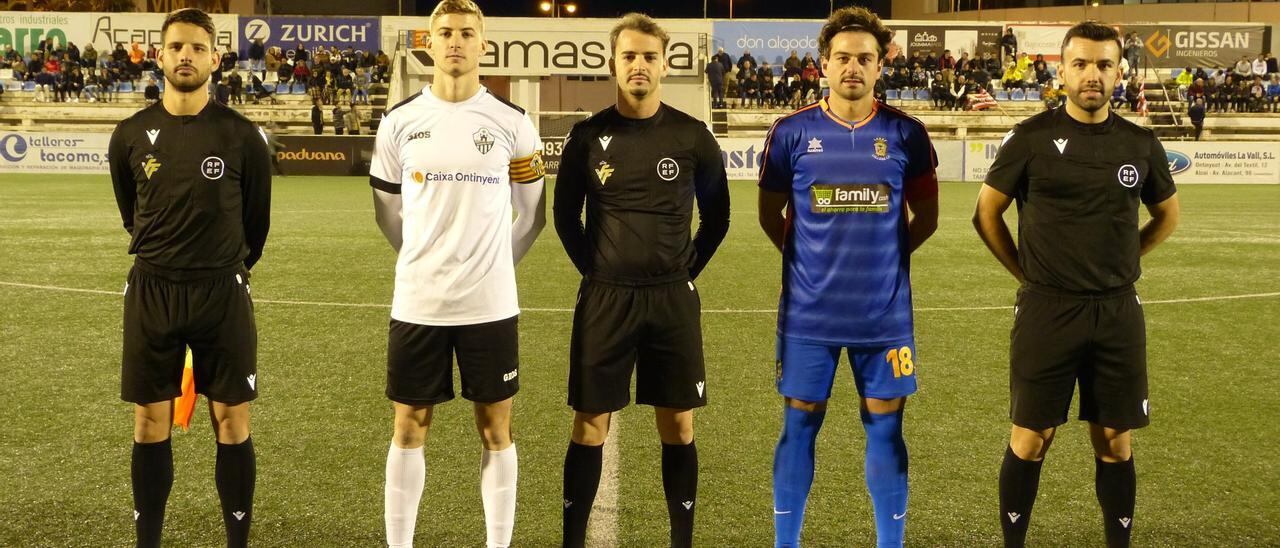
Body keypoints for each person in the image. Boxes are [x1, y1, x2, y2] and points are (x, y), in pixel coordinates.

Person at [973, 21, 1180, 548]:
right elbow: (986, 214)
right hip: (1048, 310)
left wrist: (1127, 257)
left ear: (1119, 73)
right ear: (1062, 69)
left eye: (1104, 65)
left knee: (1115, 441)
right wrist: (1027, 274)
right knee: (1031, 438)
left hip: (1117, 313)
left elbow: (1167, 215)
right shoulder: (1030, 139)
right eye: (1082, 64)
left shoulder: (1140, 143)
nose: (1093, 75)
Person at [758, 8, 939, 548]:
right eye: (843, 57)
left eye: (864, 58)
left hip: (884, 318)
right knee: (799, 425)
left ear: (881, 65)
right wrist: (806, 263)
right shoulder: (790, 133)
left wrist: (886, 259)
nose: (853, 67)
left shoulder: (906, 133)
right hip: (808, 316)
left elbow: (925, 217)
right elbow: (771, 216)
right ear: (823, 65)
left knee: (886, 426)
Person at [368, 1, 546, 547]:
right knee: (407, 426)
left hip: (489, 304)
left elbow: (533, 214)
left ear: (482, 45)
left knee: (496, 430)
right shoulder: (399, 122)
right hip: (418, 302)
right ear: (430, 41)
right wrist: (423, 255)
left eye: (467, 33)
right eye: (445, 32)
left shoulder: (513, 123)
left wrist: (493, 264)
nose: (455, 42)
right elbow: (387, 211)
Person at [554, 12, 730, 548]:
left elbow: (718, 219)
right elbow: (566, 219)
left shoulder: (693, 136)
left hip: (672, 302)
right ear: (613, 63)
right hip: (605, 299)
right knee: (589, 424)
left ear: (665, 64)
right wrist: (599, 270)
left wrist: (681, 273)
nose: (639, 65)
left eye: (649, 57)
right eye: (629, 56)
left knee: (677, 425)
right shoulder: (586, 136)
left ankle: (682, 541)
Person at [107, 8, 271, 548]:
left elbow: (255, 227)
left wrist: (220, 263)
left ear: (215, 59)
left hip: (222, 291)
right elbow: (133, 214)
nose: (186, 56)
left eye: (197, 48)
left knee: (231, 421)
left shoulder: (243, 136)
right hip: (153, 291)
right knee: (149, 424)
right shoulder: (129, 134)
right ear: (159, 55)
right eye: (176, 46)